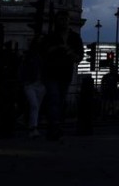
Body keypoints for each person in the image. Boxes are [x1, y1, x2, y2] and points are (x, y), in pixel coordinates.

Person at [41, 10, 84, 141]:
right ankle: (55, 127)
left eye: (65, 20)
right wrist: (57, 48)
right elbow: (44, 52)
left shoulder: (75, 37)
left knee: (59, 101)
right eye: (60, 20)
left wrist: (69, 52)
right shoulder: (51, 37)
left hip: (65, 73)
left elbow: (79, 57)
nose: (63, 22)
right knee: (54, 99)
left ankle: (54, 127)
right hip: (51, 73)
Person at [19, 35, 46, 138]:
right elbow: (22, 69)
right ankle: (32, 127)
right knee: (35, 105)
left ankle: (29, 124)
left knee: (35, 107)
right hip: (31, 83)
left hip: (39, 84)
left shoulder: (35, 56)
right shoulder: (31, 56)